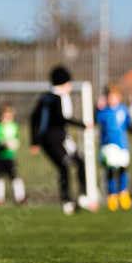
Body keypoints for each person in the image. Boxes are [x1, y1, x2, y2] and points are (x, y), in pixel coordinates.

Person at [30, 65, 94, 214]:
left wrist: (34, 140)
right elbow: (62, 117)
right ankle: (82, 196)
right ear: (64, 83)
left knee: (65, 167)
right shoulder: (61, 97)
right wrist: (83, 124)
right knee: (78, 162)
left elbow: (33, 118)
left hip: (46, 140)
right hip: (58, 139)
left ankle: (68, 202)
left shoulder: (44, 97)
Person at [95, 85, 132, 212]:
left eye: (114, 97)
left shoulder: (123, 110)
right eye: (110, 97)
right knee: (110, 172)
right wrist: (96, 107)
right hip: (107, 147)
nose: (112, 99)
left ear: (119, 97)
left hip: (122, 146)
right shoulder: (103, 112)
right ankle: (112, 196)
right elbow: (94, 119)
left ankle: (123, 193)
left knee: (123, 169)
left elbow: (129, 124)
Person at [0, 105, 25, 206]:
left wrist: (14, 143)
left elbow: (17, 139)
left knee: (14, 176)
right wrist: (0, 142)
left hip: (10, 156)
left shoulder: (13, 126)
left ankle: (19, 197)